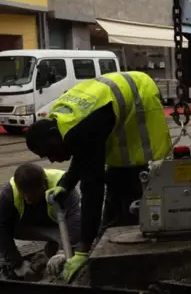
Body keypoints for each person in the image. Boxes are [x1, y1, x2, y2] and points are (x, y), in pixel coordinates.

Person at [25, 70, 173, 282]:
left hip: (142, 98)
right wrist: (66, 183)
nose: (51, 160)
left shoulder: (84, 128)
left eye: (49, 152)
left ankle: (148, 266)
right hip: (117, 107)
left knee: (141, 196)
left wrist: (83, 249)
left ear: (53, 136)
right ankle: (111, 240)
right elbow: (83, 152)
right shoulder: (63, 123)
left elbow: (92, 189)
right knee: (115, 184)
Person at [0, 162, 81, 280]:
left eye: (32, 193)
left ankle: (58, 253)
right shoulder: (9, 192)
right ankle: (7, 269)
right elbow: (2, 229)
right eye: (24, 194)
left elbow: (75, 222)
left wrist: (63, 252)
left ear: (42, 185)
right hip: (29, 227)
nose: (27, 198)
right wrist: (17, 264)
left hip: (58, 230)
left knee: (84, 223)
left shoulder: (63, 185)